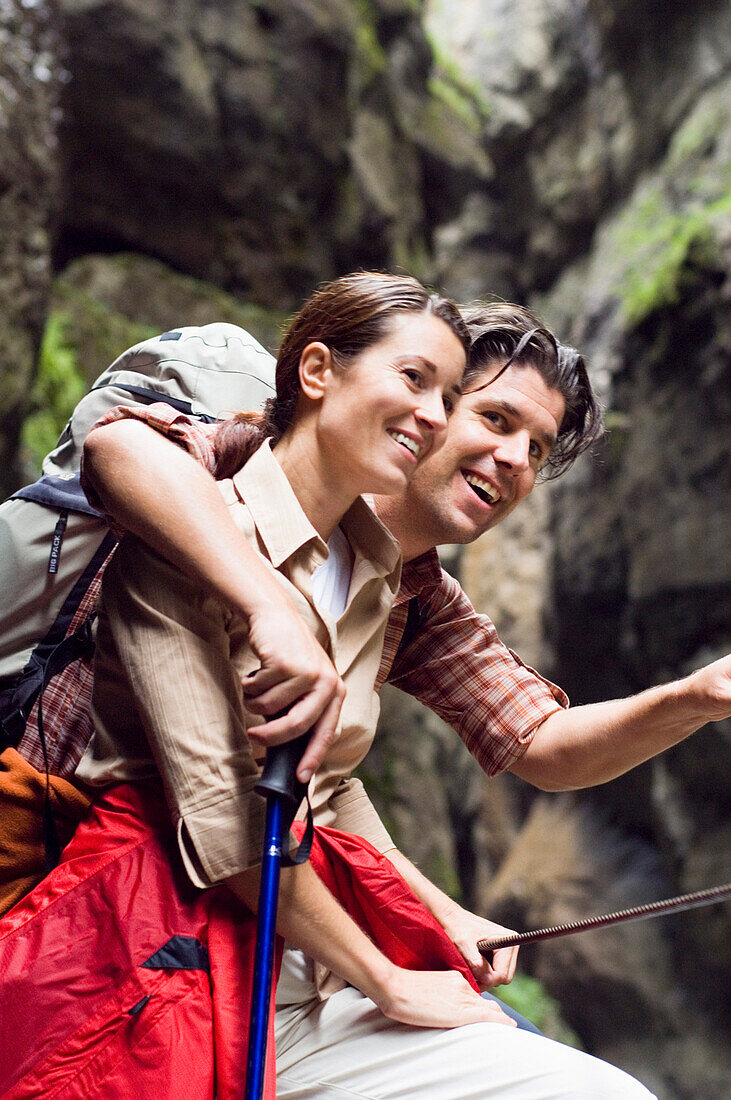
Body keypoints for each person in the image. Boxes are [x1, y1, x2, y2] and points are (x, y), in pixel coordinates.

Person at [0, 283, 660, 1100]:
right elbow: (121, 454)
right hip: (92, 895)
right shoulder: (228, 483)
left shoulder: (401, 589)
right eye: (489, 417)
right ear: (323, 373)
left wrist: (701, 693)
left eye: (537, 446)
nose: (516, 461)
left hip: (248, 937)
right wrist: (264, 599)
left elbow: (531, 745)